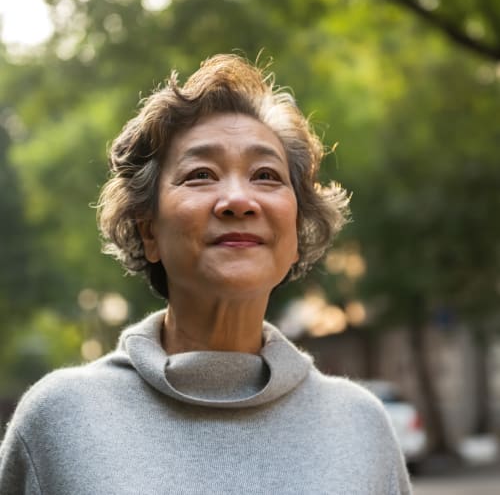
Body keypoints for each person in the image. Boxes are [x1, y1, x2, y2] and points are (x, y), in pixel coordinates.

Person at [0, 54, 412, 494]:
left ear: (296, 231)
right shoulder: (60, 421)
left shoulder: (362, 428)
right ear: (149, 231)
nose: (238, 199)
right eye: (201, 174)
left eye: (266, 175)